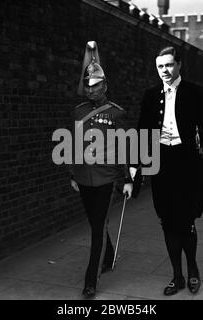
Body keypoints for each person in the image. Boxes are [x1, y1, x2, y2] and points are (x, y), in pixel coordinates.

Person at [129, 46, 203, 296]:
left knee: (186, 221)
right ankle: (177, 276)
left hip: (189, 165)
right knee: (168, 222)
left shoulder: (196, 93)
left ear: (179, 65)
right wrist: (133, 166)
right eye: (160, 66)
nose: (165, 71)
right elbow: (142, 131)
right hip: (162, 166)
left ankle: (192, 269)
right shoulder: (151, 95)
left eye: (169, 65)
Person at [69, 41, 133, 299]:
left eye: (95, 85)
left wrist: (127, 179)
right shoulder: (78, 111)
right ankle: (109, 255)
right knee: (96, 222)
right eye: (87, 85)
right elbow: (73, 145)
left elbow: (125, 148)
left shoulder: (116, 114)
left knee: (96, 228)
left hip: (106, 178)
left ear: (104, 86)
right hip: (84, 177)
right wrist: (72, 174)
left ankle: (90, 280)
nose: (90, 89)